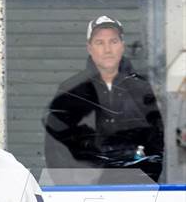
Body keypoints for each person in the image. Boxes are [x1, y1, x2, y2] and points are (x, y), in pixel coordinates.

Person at [42, 15, 164, 183]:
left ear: (122, 46)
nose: (108, 49)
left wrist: (145, 184)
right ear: (89, 48)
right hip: (85, 192)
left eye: (113, 41)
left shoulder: (140, 89)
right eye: (100, 43)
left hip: (134, 192)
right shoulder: (71, 91)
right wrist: (71, 190)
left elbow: (155, 144)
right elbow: (55, 148)